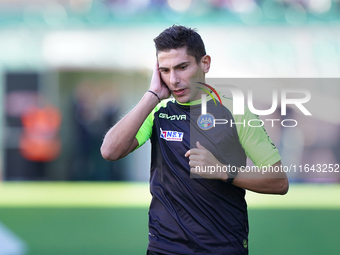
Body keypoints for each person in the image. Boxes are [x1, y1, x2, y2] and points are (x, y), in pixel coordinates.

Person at [101, 25, 289, 255]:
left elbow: (279, 182)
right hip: (164, 247)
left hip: (222, 247)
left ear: (205, 63)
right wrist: (151, 96)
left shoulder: (235, 111)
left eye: (182, 67)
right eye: (165, 70)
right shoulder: (158, 111)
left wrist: (224, 172)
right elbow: (110, 151)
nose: (174, 79)